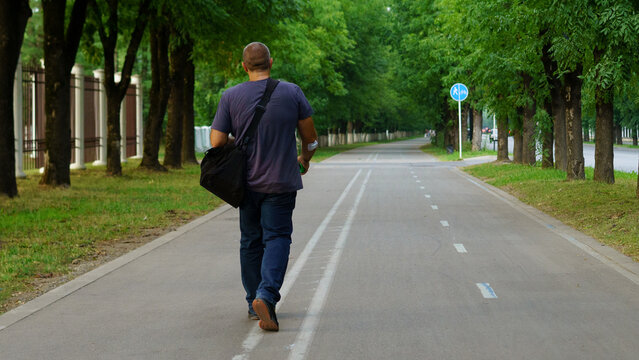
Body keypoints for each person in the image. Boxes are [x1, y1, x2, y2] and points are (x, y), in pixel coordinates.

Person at [209, 42, 318, 332]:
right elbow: (311, 137)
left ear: (243, 66)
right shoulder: (292, 92)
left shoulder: (230, 96)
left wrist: (238, 140)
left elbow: (217, 142)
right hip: (281, 182)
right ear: (271, 62)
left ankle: (252, 301)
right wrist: (305, 158)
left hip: (246, 184)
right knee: (278, 237)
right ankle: (266, 296)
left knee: (251, 240)